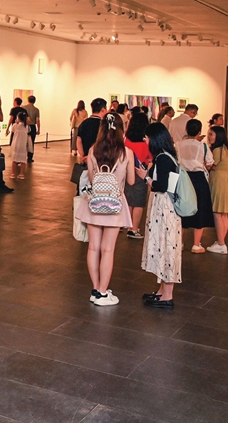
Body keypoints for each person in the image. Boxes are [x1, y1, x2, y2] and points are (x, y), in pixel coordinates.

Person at [78, 114, 136, 306]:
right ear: (121, 129)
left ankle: (95, 289)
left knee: (93, 247)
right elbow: (131, 181)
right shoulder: (127, 153)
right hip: (115, 205)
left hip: (94, 203)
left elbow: (93, 180)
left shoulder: (93, 150)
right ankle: (103, 291)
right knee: (108, 249)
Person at [142, 122, 182, 309]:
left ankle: (167, 295)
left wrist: (146, 177)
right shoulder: (165, 156)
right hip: (163, 208)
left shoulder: (163, 159)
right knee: (163, 248)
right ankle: (161, 291)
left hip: (165, 208)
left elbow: (162, 186)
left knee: (166, 248)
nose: (145, 140)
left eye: (147, 137)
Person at [176, 118, 215, 253]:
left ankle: (180, 242)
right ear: (199, 131)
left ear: (186, 130)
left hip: (183, 178)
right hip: (198, 179)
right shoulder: (202, 146)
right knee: (200, 209)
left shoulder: (178, 144)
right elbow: (209, 162)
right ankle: (196, 244)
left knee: (182, 208)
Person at [207, 126, 228, 254]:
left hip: (219, 182)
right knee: (224, 213)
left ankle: (221, 243)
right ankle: (221, 241)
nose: (209, 137)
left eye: (211, 134)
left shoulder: (217, 150)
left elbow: (210, 166)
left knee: (217, 212)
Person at [123, 111, 152, 239]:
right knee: (139, 202)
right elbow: (150, 158)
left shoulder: (126, 139)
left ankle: (128, 225)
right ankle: (134, 228)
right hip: (141, 172)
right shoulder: (145, 142)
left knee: (129, 199)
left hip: (126, 172)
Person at [9, 110, 29, 180]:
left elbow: (13, 130)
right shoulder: (26, 126)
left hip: (15, 144)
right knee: (23, 160)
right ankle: (21, 174)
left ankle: (13, 174)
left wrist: (16, 123)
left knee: (14, 160)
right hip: (23, 145)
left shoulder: (15, 125)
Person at [25, 95, 41, 162]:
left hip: (25, 126)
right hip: (32, 126)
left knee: (24, 142)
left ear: (28, 100)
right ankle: (30, 157)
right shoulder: (36, 110)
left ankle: (21, 157)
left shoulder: (24, 108)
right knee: (31, 142)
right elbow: (37, 120)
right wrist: (38, 129)